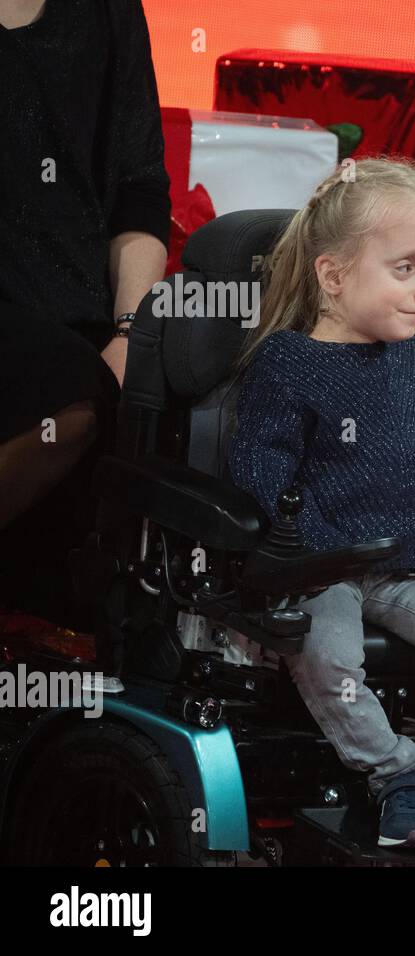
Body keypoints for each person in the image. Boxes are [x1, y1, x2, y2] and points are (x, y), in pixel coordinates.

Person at [227, 157, 415, 856]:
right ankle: (396, 774)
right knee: (327, 650)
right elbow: (260, 468)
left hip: (404, 571)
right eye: (406, 269)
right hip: (317, 569)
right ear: (333, 276)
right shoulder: (288, 365)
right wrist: (311, 544)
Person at [0, 0, 169, 627]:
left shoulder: (108, 11)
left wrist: (131, 333)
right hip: (40, 354)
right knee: (68, 394)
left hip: (81, 323)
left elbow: (140, 189)